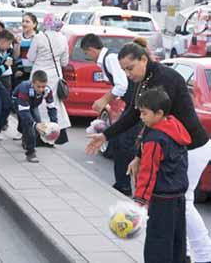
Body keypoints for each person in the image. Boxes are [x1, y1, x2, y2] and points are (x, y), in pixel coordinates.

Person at [86, 43, 211, 262]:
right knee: (180, 202)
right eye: (124, 69)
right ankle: (188, 253)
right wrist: (106, 136)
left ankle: (203, 254)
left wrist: (139, 197)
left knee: (184, 200)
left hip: (192, 147)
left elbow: (155, 123)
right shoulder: (144, 80)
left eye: (130, 68)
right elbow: (136, 116)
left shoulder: (165, 78)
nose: (127, 74)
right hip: (176, 146)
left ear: (144, 60)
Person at [133, 88, 189, 263]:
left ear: (159, 113)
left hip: (162, 196)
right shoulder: (175, 126)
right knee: (177, 238)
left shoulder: (155, 139)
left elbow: (148, 173)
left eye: (144, 113)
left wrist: (140, 200)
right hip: (178, 194)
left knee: (158, 239)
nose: (141, 117)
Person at [80, 33, 137, 196]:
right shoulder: (109, 58)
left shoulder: (110, 58)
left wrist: (103, 100)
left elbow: (122, 85)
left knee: (124, 143)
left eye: (86, 54)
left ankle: (128, 185)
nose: (88, 57)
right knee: (119, 141)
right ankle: (123, 184)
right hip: (132, 104)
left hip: (136, 105)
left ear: (90, 50)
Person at [27, 14, 70, 145]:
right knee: (53, 105)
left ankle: (38, 135)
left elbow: (30, 57)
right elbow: (65, 62)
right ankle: (54, 135)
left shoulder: (39, 37)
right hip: (55, 76)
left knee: (37, 105)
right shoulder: (63, 38)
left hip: (39, 74)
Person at [12, 71, 57, 163]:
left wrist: (54, 123)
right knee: (29, 124)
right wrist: (34, 124)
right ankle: (31, 152)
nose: (41, 89)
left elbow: (51, 107)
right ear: (32, 83)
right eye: (38, 86)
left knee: (37, 126)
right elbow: (24, 112)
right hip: (18, 102)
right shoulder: (25, 88)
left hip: (33, 105)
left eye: (43, 86)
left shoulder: (47, 90)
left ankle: (26, 139)